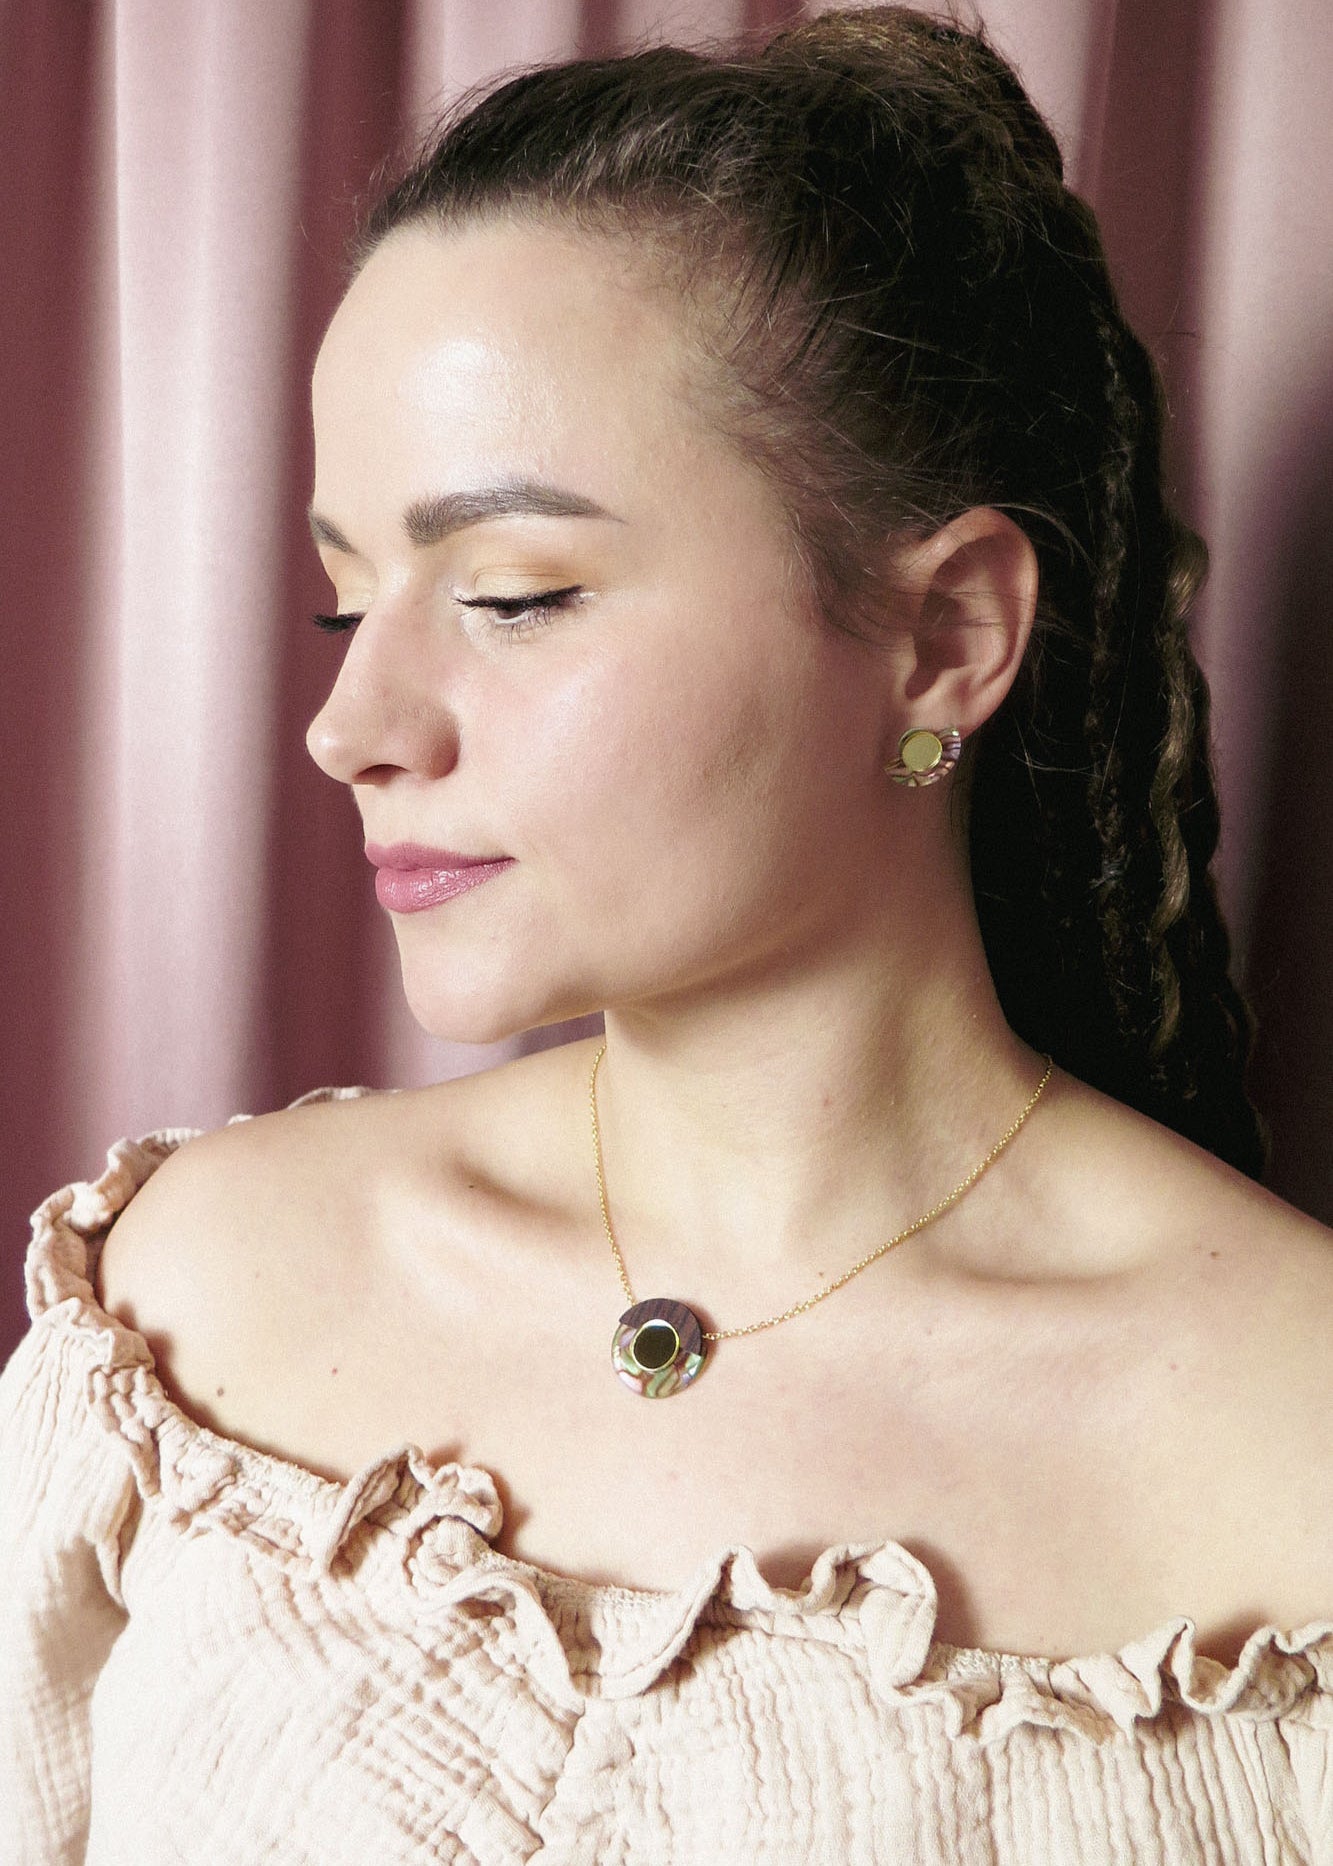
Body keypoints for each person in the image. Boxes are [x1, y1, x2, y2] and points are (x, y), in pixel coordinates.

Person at [3, 7, 1330, 1861]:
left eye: (515, 596)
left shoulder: (1298, 1449)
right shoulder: (181, 1306)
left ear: (946, 636)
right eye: (343, 603)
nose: (352, 725)